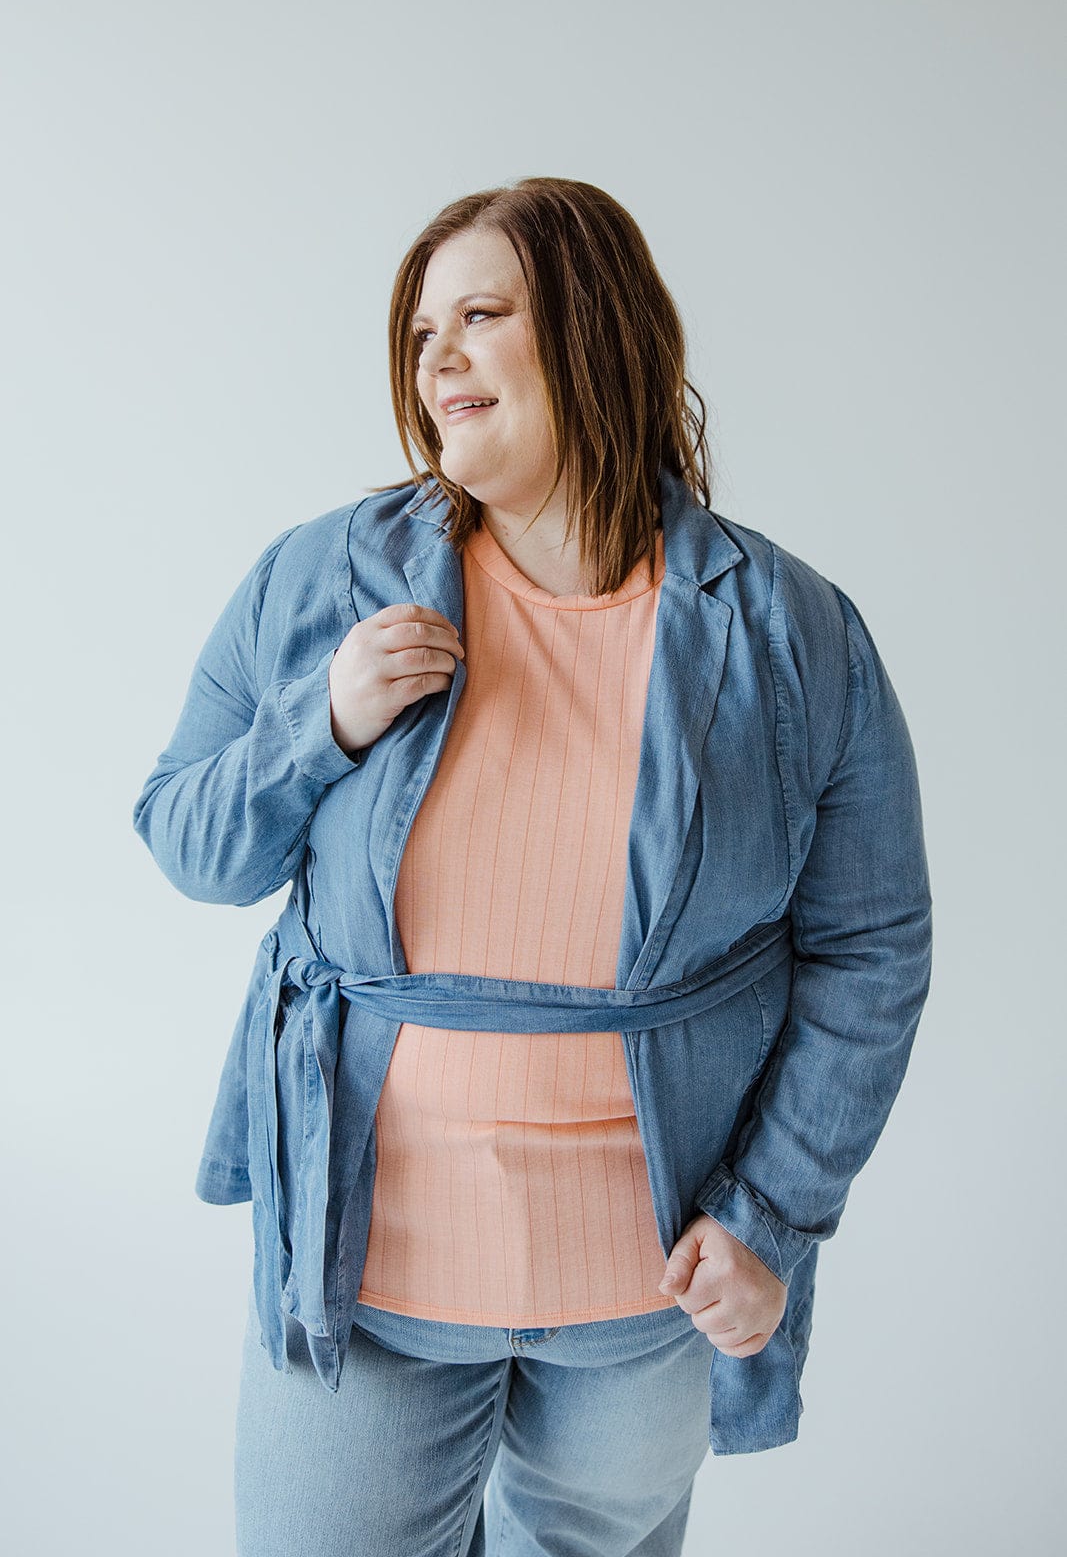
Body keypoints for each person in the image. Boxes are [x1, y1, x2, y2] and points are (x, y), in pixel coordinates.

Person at [132, 176, 933, 1557]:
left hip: (647, 1294)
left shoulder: (796, 635)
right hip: (361, 1279)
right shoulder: (321, 582)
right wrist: (319, 724)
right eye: (421, 329)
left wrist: (771, 1219)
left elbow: (871, 947)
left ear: (595, 331)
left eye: (481, 315)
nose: (435, 358)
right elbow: (187, 839)